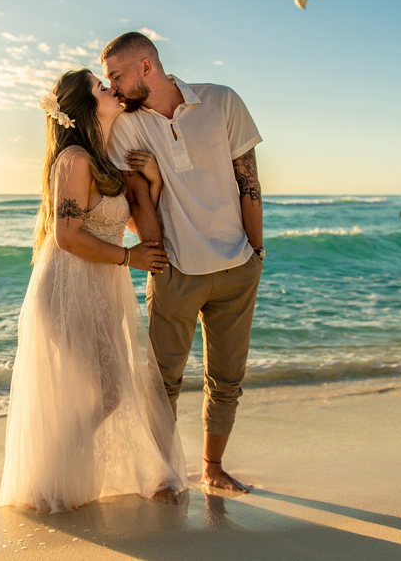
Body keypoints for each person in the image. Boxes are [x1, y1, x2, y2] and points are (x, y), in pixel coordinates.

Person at [0, 68, 187, 514]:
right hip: (68, 285)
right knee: (108, 389)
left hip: (100, 285)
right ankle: (50, 475)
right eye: (102, 87)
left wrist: (155, 182)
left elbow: (126, 224)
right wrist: (129, 258)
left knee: (109, 385)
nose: (112, 89)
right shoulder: (75, 160)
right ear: (86, 107)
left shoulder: (103, 160)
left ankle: (73, 476)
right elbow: (66, 236)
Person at [101, 32, 264, 494]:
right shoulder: (127, 127)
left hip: (237, 269)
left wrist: (256, 250)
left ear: (146, 67)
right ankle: (164, 473)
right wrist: (158, 258)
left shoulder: (222, 101)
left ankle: (213, 468)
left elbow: (248, 178)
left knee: (228, 378)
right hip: (175, 273)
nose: (112, 86)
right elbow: (134, 209)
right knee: (161, 383)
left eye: (117, 75)